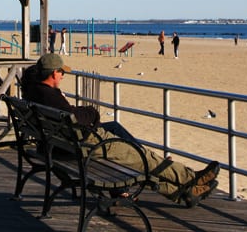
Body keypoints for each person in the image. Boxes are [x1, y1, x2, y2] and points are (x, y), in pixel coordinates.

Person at [22, 53, 220, 208]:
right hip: (84, 145)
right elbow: (75, 116)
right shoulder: (51, 97)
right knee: (144, 159)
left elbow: (69, 114)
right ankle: (191, 179)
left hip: (58, 143)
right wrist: (92, 113)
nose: (64, 75)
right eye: (61, 72)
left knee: (120, 133)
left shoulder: (35, 91)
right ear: (54, 73)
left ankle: (184, 192)